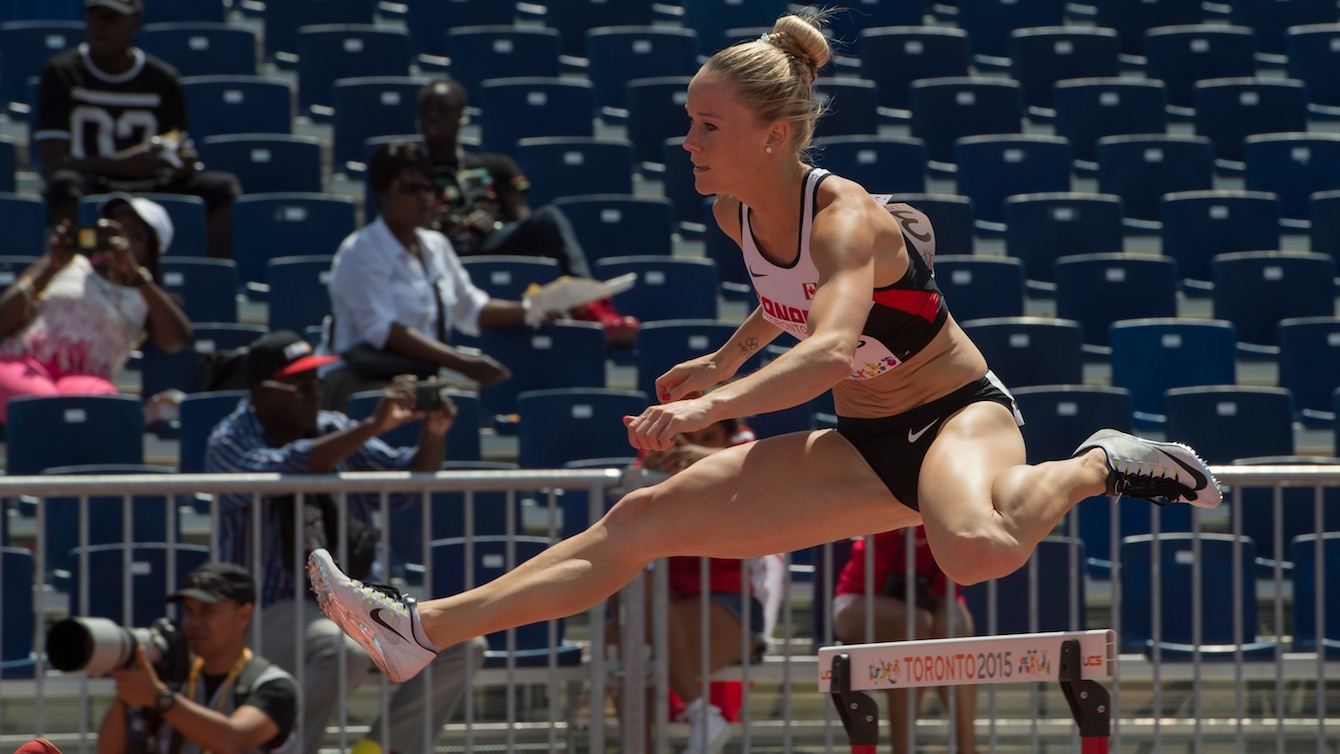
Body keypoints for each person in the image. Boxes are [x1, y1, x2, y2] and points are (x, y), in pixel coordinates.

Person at [306, 11, 1221, 688]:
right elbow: (787, 308)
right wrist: (726, 357)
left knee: (975, 547)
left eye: (708, 127)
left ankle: (1103, 462)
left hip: (956, 415)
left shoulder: (846, 218)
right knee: (641, 525)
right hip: (865, 444)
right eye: (689, 122)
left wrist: (712, 406)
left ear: (773, 135)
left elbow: (827, 349)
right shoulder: (733, 209)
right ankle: (418, 630)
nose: (688, 141)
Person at [203, 330, 487, 754]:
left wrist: (434, 433)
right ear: (264, 393)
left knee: (463, 643)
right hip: (270, 607)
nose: (316, 394)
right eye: (303, 386)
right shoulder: (230, 439)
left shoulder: (332, 427)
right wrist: (373, 425)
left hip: (353, 598)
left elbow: (406, 483)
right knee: (344, 651)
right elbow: (291, 467)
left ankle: (378, 750)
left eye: (318, 383)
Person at [320, 140, 557, 411]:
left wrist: (532, 308)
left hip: (416, 382)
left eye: (427, 187)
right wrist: (461, 363)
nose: (423, 197)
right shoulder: (359, 251)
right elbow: (383, 331)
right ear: (383, 194)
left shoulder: (436, 245)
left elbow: (472, 308)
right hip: (361, 383)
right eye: (410, 189)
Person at [417, 79, 640, 346]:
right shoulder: (409, 172)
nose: (433, 116)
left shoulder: (496, 165)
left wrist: (494, 226)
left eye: (442, 109)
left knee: (548, 217)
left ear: (461, 116)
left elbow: (522, 218)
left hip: (493, 241)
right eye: (426, 109)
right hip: (442, 250)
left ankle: (590, 306)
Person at [35, 0, 240, 259]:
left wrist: (182, 163)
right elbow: (52, 164)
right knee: (64, 186)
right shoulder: (62, 73)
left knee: (221, 187)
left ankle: (210, 276)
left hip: (153, 185)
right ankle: (72, 268)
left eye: (111, 17)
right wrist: (123, 164)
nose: (100, 26)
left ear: (134, 21)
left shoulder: (163, 78)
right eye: (94, 16)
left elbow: (175, 143)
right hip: (94, 183)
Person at [612, 417, 770, 754]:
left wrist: (703, 460)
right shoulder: (660, 468)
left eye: (709, 436)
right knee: (623, 645)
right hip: (669, 606)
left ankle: (702, 715)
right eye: (685, 439)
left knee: (632, 641)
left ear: (727, 436)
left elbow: (749, 467)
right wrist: (648, 474)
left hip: (734, 606)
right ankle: (699, 717)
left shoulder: (747, 461)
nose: (693, 446)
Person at [0, 192, 191, 422]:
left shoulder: (147, 293)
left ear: (152, 250)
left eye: (134, 234)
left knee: (103, 411)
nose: (120, 239)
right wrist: (51, 267)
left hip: (86, 379)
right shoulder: (66, 263)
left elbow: (176, 341)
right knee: (41, 404)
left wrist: (137, 276)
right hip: (23, 363)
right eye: (114, 228)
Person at [97, 562, 299, 754]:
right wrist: (126, 693)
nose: (194, 622)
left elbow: (233, 739)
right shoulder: (169, 675)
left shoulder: (273, 686)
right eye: (189, 611)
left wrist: (158, 697)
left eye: (208, 611)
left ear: (244, 614)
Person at [832, 527, 976, 753]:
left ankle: (967, 748)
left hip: (924, 611)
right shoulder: (890, 505)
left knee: (950, 628)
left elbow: (949, 590)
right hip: (859, 603)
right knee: (913, 624)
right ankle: (903, 749)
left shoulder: (951, 518)